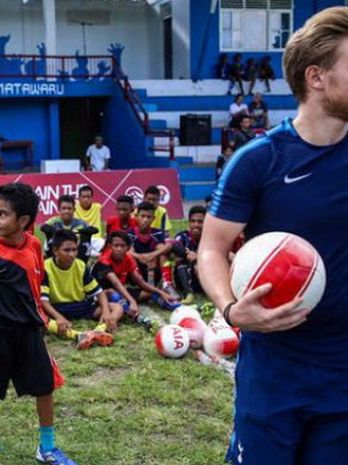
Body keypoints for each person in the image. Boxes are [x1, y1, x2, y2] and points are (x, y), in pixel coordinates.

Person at [198, 9, 348, 464]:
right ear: (317, 77)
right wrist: (230, 308)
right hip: (274, 369)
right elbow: (211, 247)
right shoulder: (258, 160)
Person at [0, 183, 76, 465]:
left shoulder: (33, 245)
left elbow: (34, 286)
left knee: (45, 386)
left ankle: (47, 448)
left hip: (30, 331)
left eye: (2, 214)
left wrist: (43, 320)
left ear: (24, 221)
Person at [40, 230, 116, 348]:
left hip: (79, 305)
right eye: (67, 250)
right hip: (56, 308)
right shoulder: (45, 267)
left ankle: (98, 331)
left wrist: (106, 311)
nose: (71, 254)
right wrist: (58, 317)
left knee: (116, 307)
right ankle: (77, 335)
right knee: (37, 316)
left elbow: (99, 292)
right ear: (55, 251)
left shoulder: (80, 265)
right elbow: (43, 300)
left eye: (74, 250)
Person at [93, 231, 177, 320]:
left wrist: (162, 292)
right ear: (110, 246)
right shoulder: (104, 260)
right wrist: (132, 301)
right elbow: (116, 283)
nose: (119, 249)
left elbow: (141, 283)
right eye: (116, 245)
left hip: (120, 291)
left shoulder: (128, 259)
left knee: (149, 293)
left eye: (122, 246)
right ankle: (138, 318)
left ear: (128, 248)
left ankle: (174, 306)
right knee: (113, 293)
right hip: (101, 296)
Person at [127, 202, 178, 309]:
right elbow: (128, 251)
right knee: (130, 257)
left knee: (162, 252)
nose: (145, 220)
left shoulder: (158, 233)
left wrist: (151, 255)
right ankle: (143, 286)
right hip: (137, 272)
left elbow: (167, 246)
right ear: (136, 217)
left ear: (153, 218)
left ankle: (166, 284)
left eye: (149, 217)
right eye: (142, 216)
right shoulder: (130, 233)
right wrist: (139, 256)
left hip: (154, 269)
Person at [171, 206, 206, 304]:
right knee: (179, 260)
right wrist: (187, 254)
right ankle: (188, 294)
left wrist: (198, 258)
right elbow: (173, 245)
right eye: (193, 221)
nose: (196, 225)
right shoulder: (183, 236)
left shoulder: (210, 238)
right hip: (185, 278)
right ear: (189, 222)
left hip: (206, 276)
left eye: (200, 222)